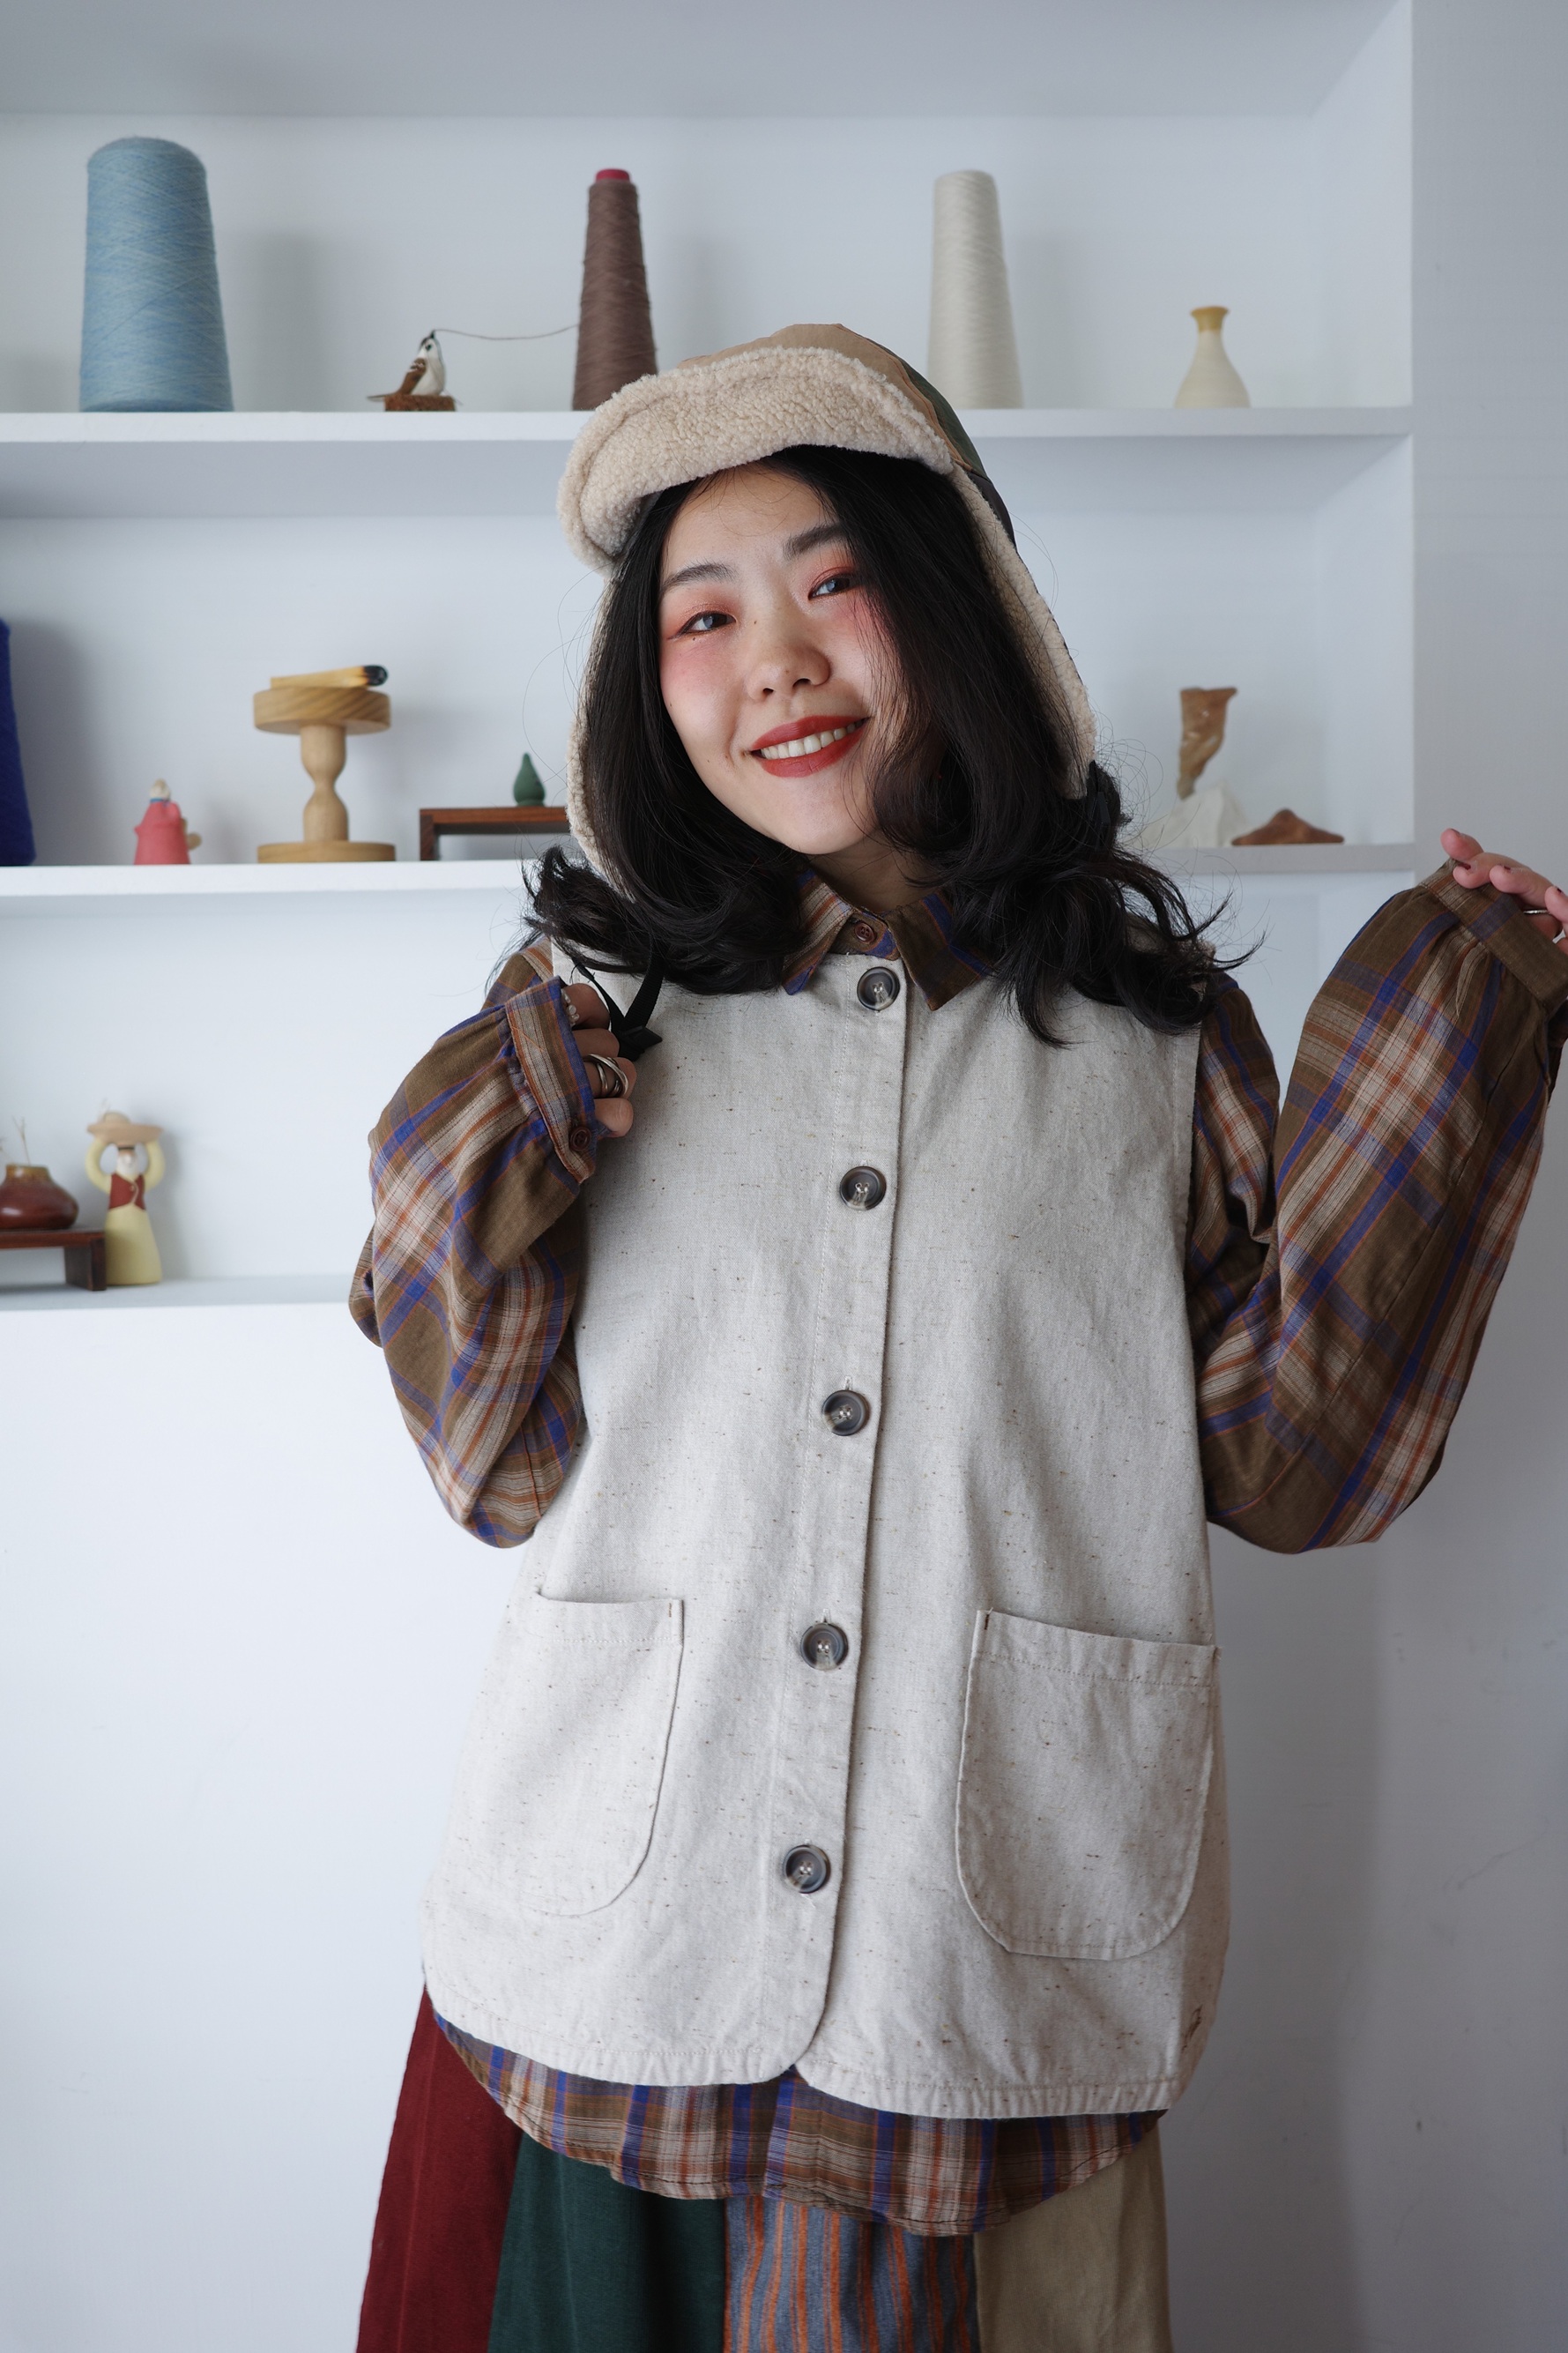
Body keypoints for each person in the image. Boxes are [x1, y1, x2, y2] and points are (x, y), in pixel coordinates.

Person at [349, 327, 1568, 2353]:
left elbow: (1290, 1464)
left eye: (833, 583)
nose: (773, 661)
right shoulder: (589, 1032)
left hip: (980, 1945)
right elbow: (491, 1468)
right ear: (641, 688)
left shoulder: (1152, 1038)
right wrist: (479, 1141)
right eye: (702, 614)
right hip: (623, 1940)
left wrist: (1472, 1022)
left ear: (960, 613)